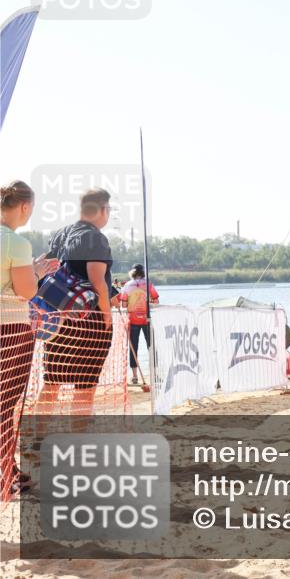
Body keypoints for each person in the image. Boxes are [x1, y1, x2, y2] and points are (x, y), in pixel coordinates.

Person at [37, 188, 117, 419]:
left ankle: (35, 441)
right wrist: (107, 316)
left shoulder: (59, 234)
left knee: (51, 382)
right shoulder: (96, 237)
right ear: (103, 210)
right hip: (89, 321)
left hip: (59, 319)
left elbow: (47, 271)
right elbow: (97, 281)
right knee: (85, 386)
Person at [1, 181, 57, 495]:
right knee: (5, 407)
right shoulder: (15, 243)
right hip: (9, 330)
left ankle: (10, 470)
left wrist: (31, 268)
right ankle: (7, 473)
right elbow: (26, 292)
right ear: (24, 207)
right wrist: (35, 273)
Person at [119, 264, 159, 385]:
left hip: (133, 320)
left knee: (133, 348)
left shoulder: (127, 285)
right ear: (143, 272)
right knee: (151, 346)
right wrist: (147, 300)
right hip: (146, 319)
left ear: (132, 273)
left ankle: (135, 376)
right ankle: (155, 374)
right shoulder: (148, 284)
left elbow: (124, 305)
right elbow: (156, 301)